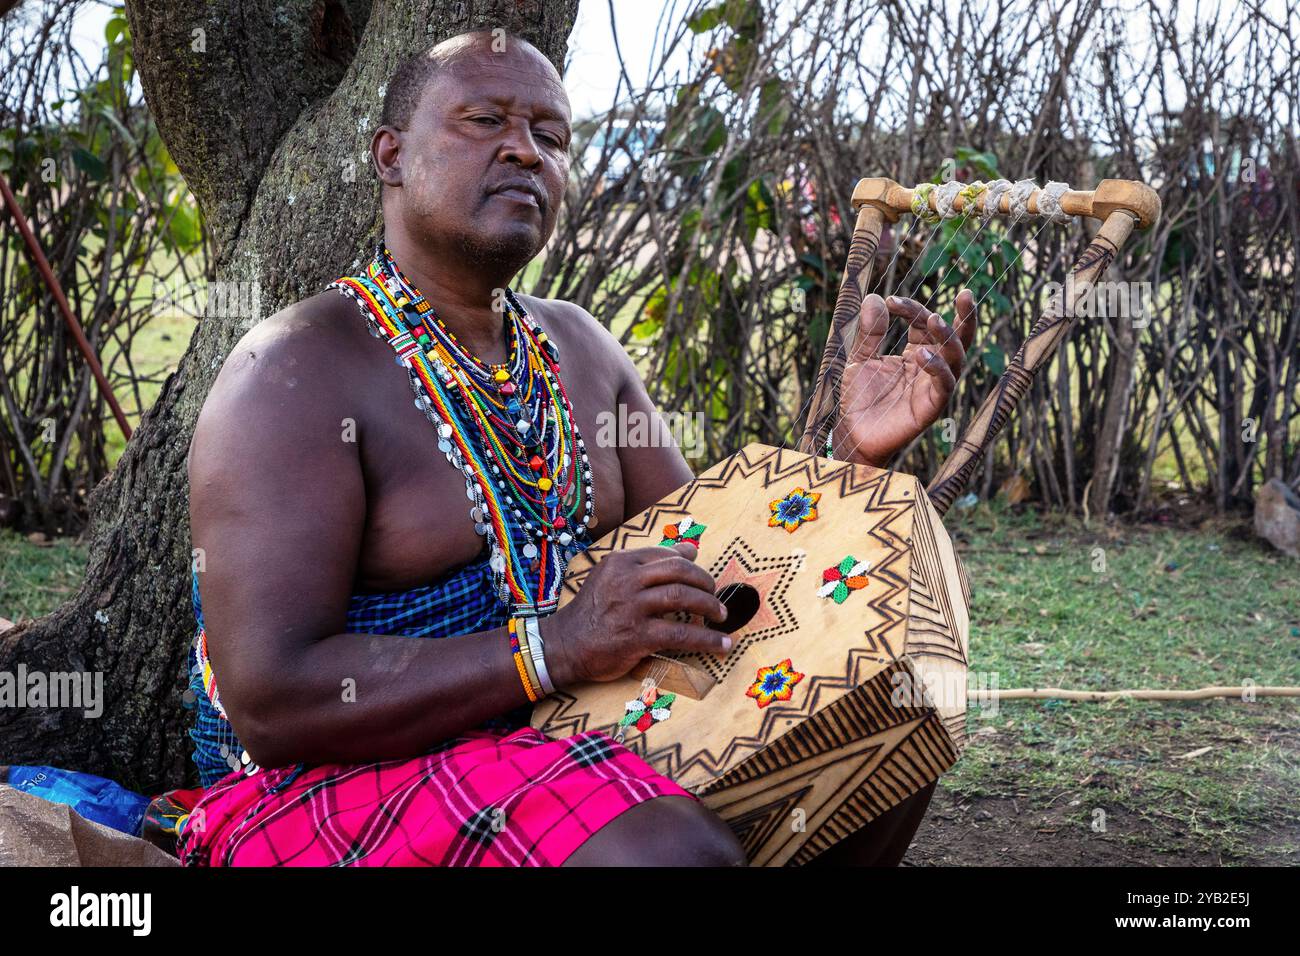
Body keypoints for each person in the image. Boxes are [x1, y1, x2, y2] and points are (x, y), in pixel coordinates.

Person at [177, 30, 977, 867]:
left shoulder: (580, 349)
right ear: (390, 155)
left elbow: (713, 574)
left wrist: (849, 460)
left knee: (880, 730)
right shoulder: (297, 367)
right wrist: (555, 646)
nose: (525, 150)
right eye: (484, 121)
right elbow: (269, 702)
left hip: (578, 732)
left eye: (551, 137)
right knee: (662, 849)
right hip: (320, 781)